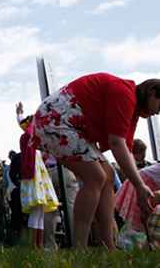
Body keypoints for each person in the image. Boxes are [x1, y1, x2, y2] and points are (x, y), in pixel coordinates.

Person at [33, 73, 160, 249]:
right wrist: (139, 185)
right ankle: (80, 248)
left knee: (107, 175)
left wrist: (138, 186)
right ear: (152, 93)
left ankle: (109, 246)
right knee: (95, 177)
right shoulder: (125, 94)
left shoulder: (132, 111)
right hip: (55, 121)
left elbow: (126, 151)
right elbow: (116, 143)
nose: (158, 112)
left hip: (69, 126)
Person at [16, 103, 59, 249]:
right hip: (34, 176)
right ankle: (34, 245)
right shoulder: (29, 137)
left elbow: (26, 126)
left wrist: (20, 115)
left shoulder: (33, 139)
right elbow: (27, 127)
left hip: (39, 177)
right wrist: (21, 116)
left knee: (39, 212)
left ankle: (38, 245)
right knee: (36, 212)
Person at [115, 162, 160, 249]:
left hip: (143, 183)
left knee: (140, 221)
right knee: (138, 221)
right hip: (142, 185)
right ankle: (129, 244)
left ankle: (139, 243)